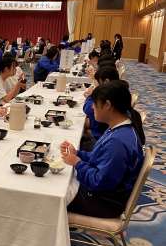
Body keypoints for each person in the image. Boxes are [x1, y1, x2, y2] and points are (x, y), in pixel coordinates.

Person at [62, 80, 145, 218]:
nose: (92, 107)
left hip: (102, 202)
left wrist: (77, 162)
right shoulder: (119, 127)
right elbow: (98, 158)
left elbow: (98, 182)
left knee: (50, 192)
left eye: (95, 103)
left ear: (107, 105)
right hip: (104, 194)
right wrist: (77, 154)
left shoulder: (117, 142)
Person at [82, 66, 120, 149]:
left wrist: (91, 96)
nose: (96, 85)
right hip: (103, 133)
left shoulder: (110, 94)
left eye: (97, 82)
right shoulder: (118, 90)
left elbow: (89, 110)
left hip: (99, 137)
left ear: (106, 81)